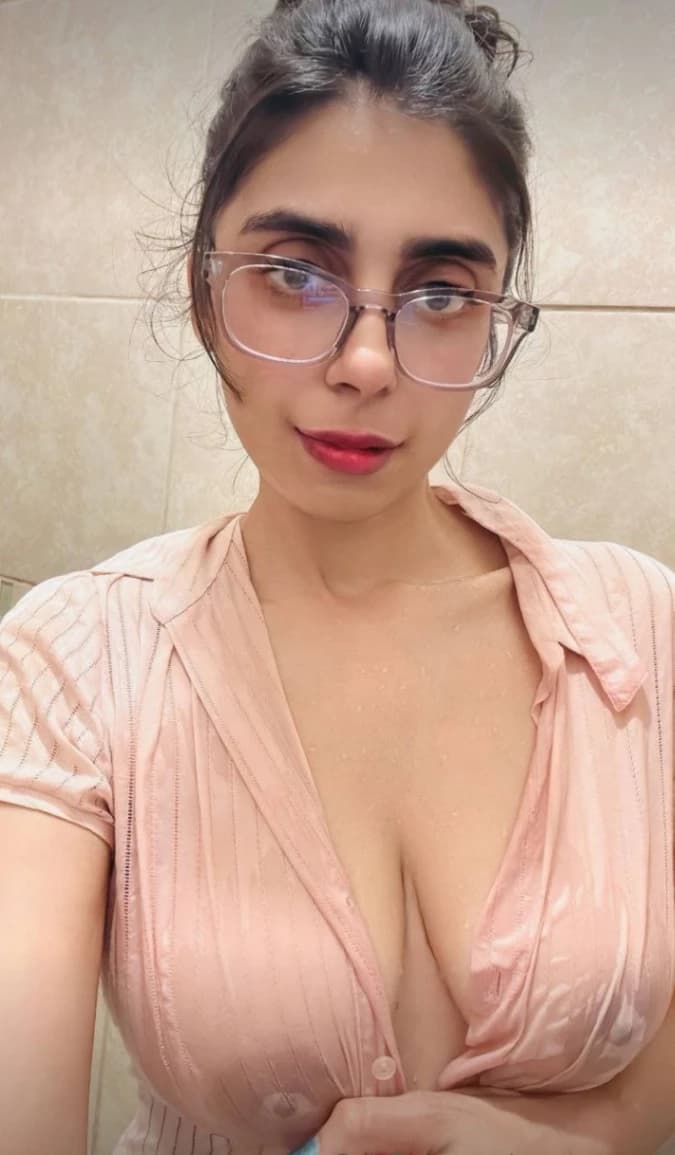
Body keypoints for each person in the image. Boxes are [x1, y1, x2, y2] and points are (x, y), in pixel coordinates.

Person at [0, 1, 673, 1153]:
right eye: (293, 273)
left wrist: (594, 1137)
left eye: (441, 293)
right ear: (206, 289)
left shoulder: (642, 633)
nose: (366, 363)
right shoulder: (72, 662)